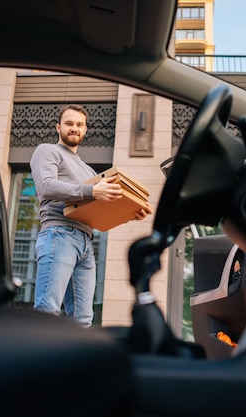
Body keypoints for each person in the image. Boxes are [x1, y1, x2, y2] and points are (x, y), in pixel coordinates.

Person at [30, 104, 153, 327]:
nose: (74, 128)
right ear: (58, 127)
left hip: (85, 244)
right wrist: (91, 191)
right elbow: (46, 186)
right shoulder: (47, 150)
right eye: (69, 123)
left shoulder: (89, 172)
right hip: (59, 234)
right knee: (47, 310)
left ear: (85, 130)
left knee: (83, 320)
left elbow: (97, 212)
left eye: (79, 125)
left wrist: (128, 213)